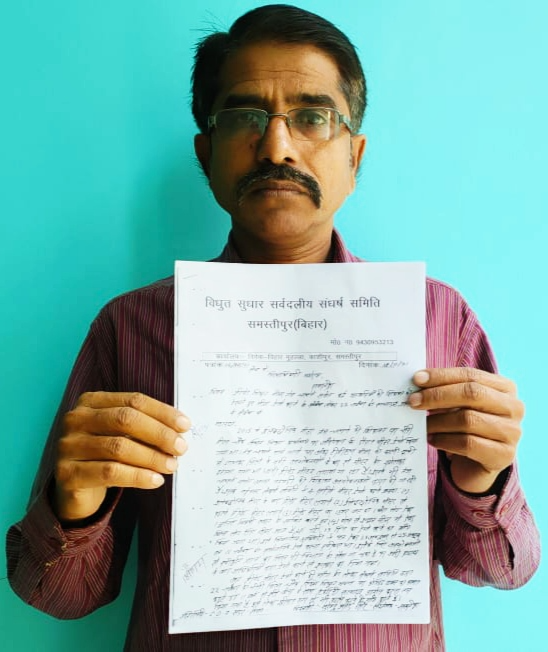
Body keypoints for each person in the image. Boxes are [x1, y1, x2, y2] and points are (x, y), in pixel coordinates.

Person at [6, 4, 540, 651]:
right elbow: (60, 596)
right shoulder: (129, 327)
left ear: (355, 155)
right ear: (206, 153)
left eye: (313, 117)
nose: (277, 146)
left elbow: (499, 569)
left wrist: (483, 478)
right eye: (245, 117)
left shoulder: (438, 318)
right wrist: (76, 500)